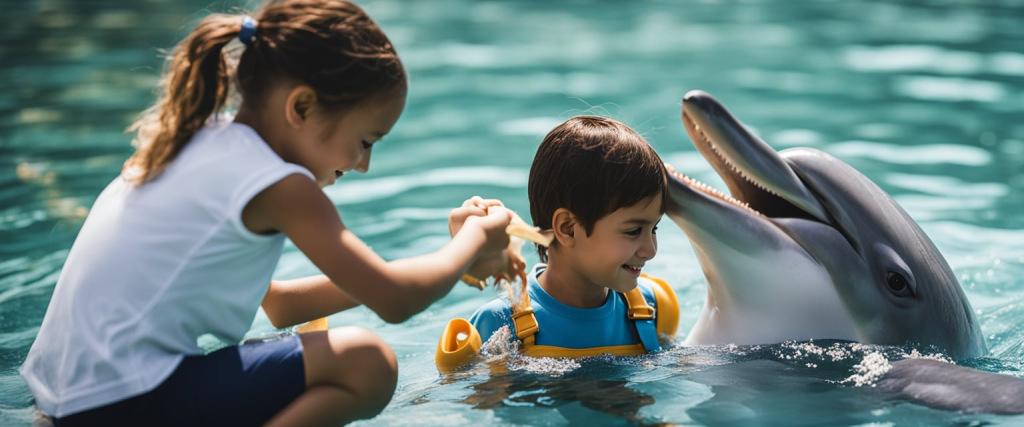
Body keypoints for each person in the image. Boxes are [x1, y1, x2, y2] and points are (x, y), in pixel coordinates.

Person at [19, 1, 513, 425]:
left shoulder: (199, 139)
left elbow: (278, 304)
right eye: (365, 141)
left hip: (63, 404)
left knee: (312, 341)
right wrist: (474, 239)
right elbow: (395, 302)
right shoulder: (281, 185)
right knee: (367, 362)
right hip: (121, 408)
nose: (363, 165)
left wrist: (450, 260)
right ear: (301, 107)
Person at [435, 116, 680, 371]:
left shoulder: (655, 308)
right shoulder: (501, 326)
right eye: (633, 231)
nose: (650, 250)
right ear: (567, 228)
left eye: (654, 228)